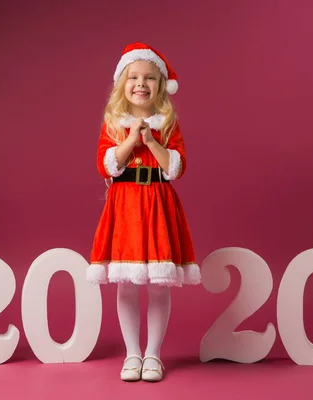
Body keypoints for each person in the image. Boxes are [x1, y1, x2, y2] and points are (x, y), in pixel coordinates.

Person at [87, 42, 201, 382]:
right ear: (122, 83)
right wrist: (131, 139)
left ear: (160, 86)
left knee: (158, 285)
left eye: (150, 78)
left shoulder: (167, 124)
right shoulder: (113, 123)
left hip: (158, 205)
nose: (141, 84)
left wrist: (151, 141)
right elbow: (106, 166)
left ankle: (153, 355)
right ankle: (132, 354)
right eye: (134, 77)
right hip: (125, 208)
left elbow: (177, 169)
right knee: (126, 283)